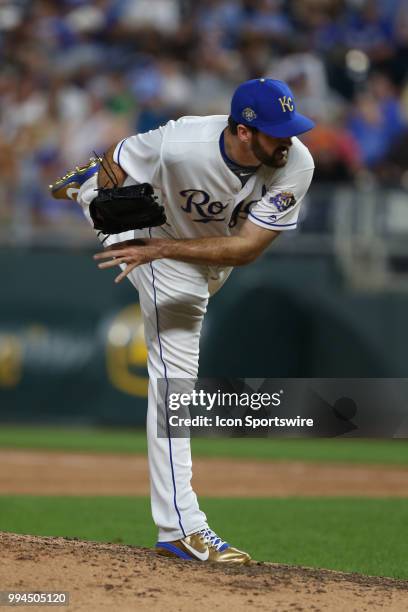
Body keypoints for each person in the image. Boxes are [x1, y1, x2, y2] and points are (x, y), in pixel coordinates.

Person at [51, 78, 315, 564]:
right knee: (175, 388)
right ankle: (181, 527)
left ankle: (91, 194)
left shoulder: (296, 162)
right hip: (159, 256)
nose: (287, 141)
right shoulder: (180, 142)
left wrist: (164, 247)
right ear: (241, 131)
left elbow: (247, 248)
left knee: (184, 346)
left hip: (197, 256)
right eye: (275, 132)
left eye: (290, 128)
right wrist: (106, 181)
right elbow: (120, 153)